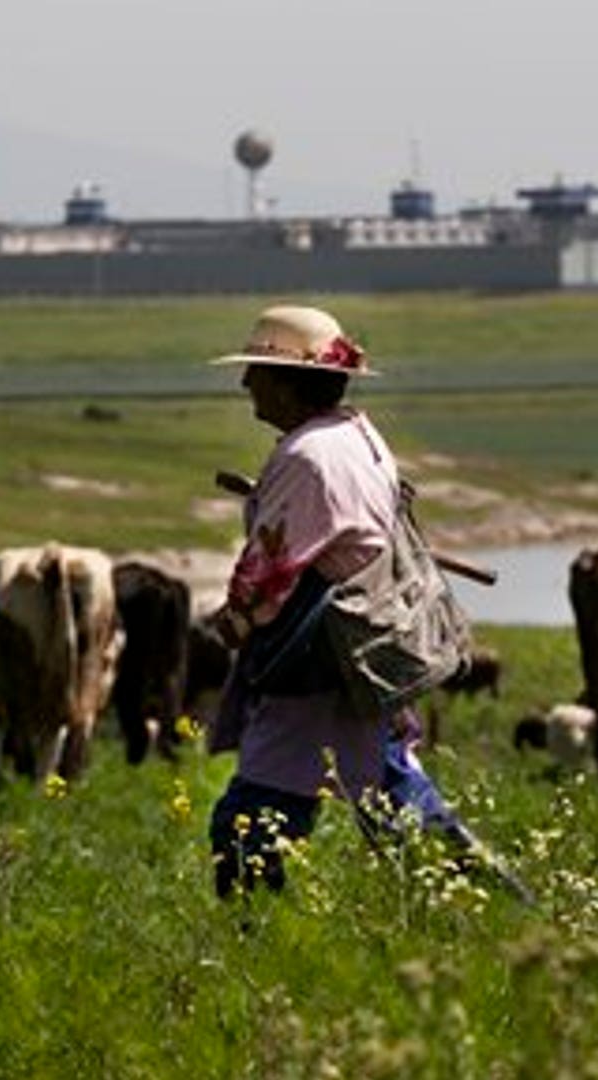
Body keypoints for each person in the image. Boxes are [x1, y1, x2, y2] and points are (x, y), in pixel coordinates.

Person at [202, 304, 415, 898]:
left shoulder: (304, 456)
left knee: (251, 818)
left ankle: (255, 934)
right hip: (367, 640)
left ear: (290, 383)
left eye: (259, 371)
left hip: (318, 654)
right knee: (395, 796)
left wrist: (235, 620)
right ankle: (470, 910)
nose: (246, 384)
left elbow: (268, 570)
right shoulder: (358, 437)